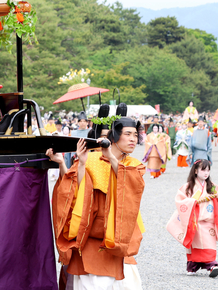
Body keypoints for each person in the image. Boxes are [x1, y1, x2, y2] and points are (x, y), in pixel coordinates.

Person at [47, 117, 146, 289]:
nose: (133, 139)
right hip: (91, 236)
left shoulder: (133, 165)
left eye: (135, 135)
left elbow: (130, 184)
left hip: (119, 238)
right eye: (128, 134)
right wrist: (67, 163)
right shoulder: (91, 159)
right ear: (114, 136)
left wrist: (111, 158)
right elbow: (72, 190)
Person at [166, 160, 218, 277]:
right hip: (195, 222)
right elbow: (180, 201)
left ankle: (212, 265)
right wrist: (193, 201)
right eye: (203, 170)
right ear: (195, 171)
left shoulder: (212, 186)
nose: (206, 173)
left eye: (208, 170)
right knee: (194, 245)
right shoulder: (188, 187)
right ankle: (192, 266)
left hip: (209, 221)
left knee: (209, 244)